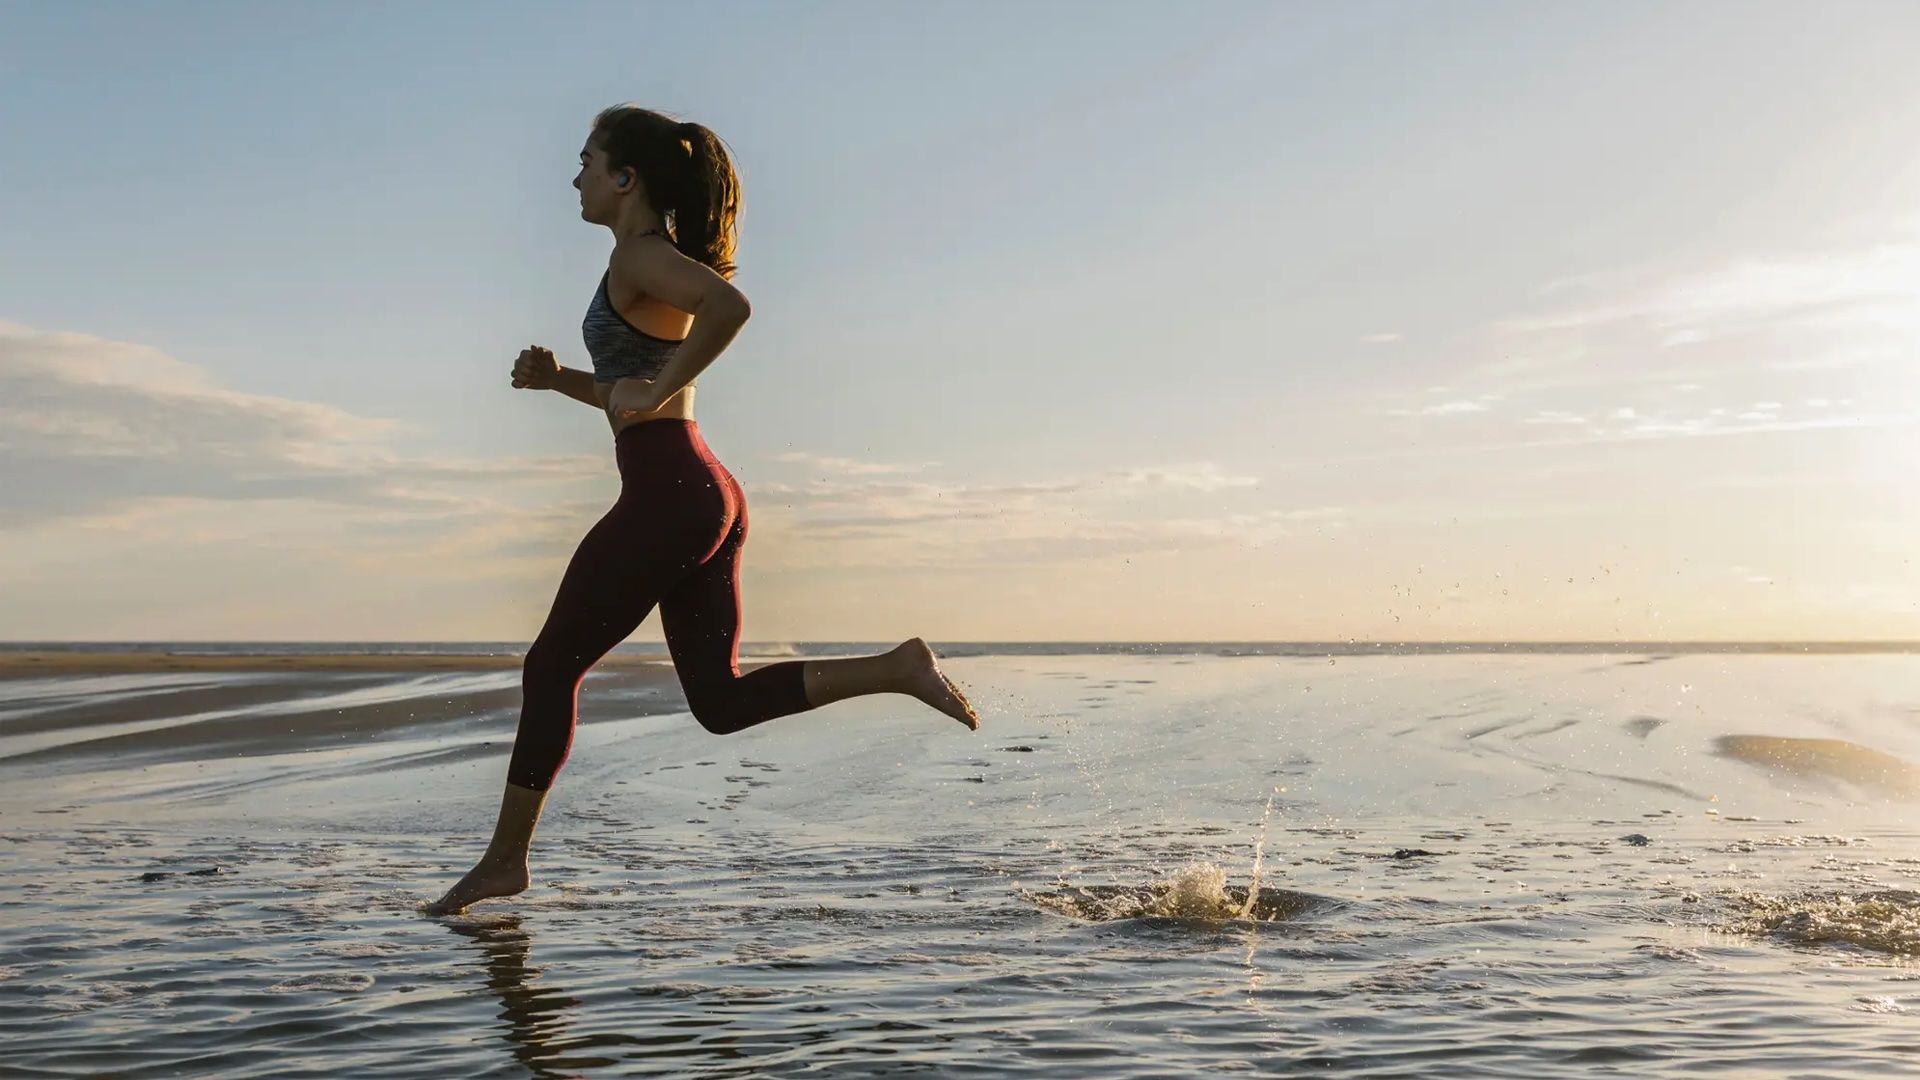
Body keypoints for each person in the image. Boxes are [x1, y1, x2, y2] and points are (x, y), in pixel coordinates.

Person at [425, 105, 978, 916]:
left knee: (550, 668)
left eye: (587, 160)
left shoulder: (645, 256)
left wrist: (648, 384)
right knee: (717, 703)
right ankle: (895, 669)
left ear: (626, 178)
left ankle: (505, 862)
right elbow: (633, 397)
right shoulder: (641, 259)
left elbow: (729, 310)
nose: (574, 176)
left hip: (670, 494)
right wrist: (562, 383)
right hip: (699, 489)